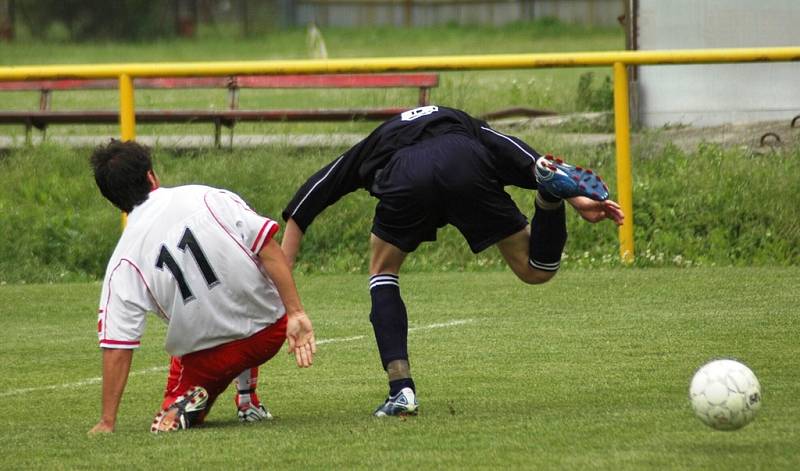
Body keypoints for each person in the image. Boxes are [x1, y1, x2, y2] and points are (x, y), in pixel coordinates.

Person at [280, 105, 623, 417]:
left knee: (383, 271)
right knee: (536, 271)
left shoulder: (375, 140)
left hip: (405, 173)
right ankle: (548, 199)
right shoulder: (460, 120)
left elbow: (314, 193)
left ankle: (401, 390)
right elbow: (517, 153)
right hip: (465, 161)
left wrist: (283, 273)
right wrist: (575, 198)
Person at [88, 140, 316, 434]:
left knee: (175, 399)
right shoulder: (207, 196)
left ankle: (189, 398)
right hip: (271, 330)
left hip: (209, 357)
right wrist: (295, 312)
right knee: (244, 276)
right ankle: (247, 400)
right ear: (151, 176)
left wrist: (107, 420)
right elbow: (268, 249)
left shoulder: (123, 260)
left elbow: (117, 345)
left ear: (114, 201)